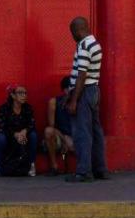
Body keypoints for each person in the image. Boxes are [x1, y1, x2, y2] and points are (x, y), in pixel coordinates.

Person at [65, 17, 110, 182]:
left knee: (82, 133)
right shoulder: (95, 44)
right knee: (96, 132)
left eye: (72, 32)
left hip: (84, 93)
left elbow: (81, 75)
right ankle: (101, 169)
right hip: (94, 91)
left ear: (78, 30)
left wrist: (73, 100)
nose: (72, 36)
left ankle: (83, 171)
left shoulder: (84, 45)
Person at [0, 84, 37, 177]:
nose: (24, 95)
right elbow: (1, 126)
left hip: (23, 138)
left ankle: (31, 165)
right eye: (20, 93)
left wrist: (24, 131)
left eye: (25, 93)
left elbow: (31, 124)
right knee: (0, 138)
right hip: (9, 137)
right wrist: (15, 134)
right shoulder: (4, 109)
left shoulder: (28, 108)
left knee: (33, 135)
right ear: (12, 95)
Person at [43, 76, 75, 176]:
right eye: (69, 88)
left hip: (75, 137)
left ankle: (84, 169)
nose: (70, 90)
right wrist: (64, 139)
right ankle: (54, 167)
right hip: (60, 137)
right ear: (64, 89)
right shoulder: (54, 102)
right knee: (48, 131)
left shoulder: (79, 102)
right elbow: (51, 127)